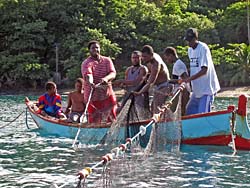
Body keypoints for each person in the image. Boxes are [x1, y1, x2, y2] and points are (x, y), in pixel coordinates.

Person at [183, 28, 220, 115]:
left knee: (203, 115)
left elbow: (204, 70)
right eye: (187, 41)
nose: (189, 43)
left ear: (195, 38)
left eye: (190, 40)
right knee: (189, 112)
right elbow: (194, 67)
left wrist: (189, 79)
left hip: (207, 90)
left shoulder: (203, 48)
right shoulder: (190, 50)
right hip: (197, 90)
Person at [81, 40, 117, 123]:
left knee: (112, 116)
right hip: (93, 95)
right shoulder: (86, 63)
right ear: (89, 50)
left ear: (100, 49)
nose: (95, 50)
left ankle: (112, 130)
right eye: (93, 48)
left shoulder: (107, 60)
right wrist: (91, 82)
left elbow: (113, 73)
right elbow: (88, 74)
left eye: (97, 47)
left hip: (107, 93)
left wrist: (106, 78)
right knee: (95, 118)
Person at [133, 45, 173, 114]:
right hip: (158, 87)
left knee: (157, 108)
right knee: (152, 108)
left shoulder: (156, 63)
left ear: (151, 55)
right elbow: (149, 73)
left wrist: (140, 92)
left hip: (165, 86)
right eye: (142, 56)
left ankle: (160, 123)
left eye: (145, 56)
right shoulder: (150, 59)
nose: (143, 58)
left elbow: (150, 82)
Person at [163, 47, 190, 116]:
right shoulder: (177, 63)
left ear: (171, 55)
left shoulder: (178, 64)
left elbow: (185, 78)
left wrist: (169, 81)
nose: (166, 60)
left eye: (166, 58)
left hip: (182, 91)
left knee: (177, 111)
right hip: (179, 91)